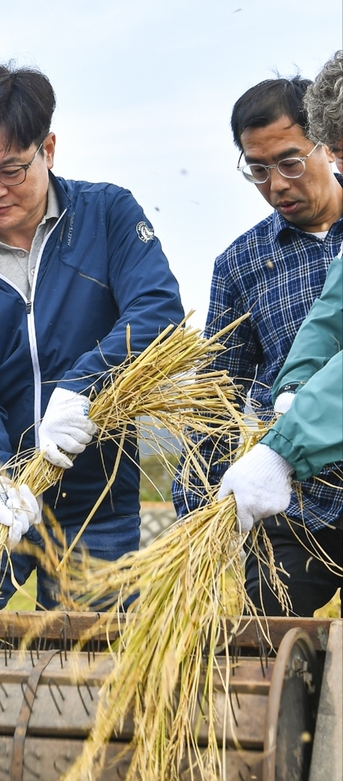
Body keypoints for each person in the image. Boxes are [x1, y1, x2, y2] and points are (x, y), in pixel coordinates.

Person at [0, 63, 184, 608]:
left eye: (11, 170)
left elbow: (158, 310)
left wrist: (83, 386)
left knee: (90, 667)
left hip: (95, 492)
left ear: (48, 149)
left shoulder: (107, 215)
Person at [173, 64, 343, 616]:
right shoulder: (243, 264)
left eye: (290, 161)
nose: (277, 184)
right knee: (264, 650)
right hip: (294, 504)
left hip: (289, 457)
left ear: (326, 144)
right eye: (259, 170)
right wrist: (196, 514)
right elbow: (216, 397)